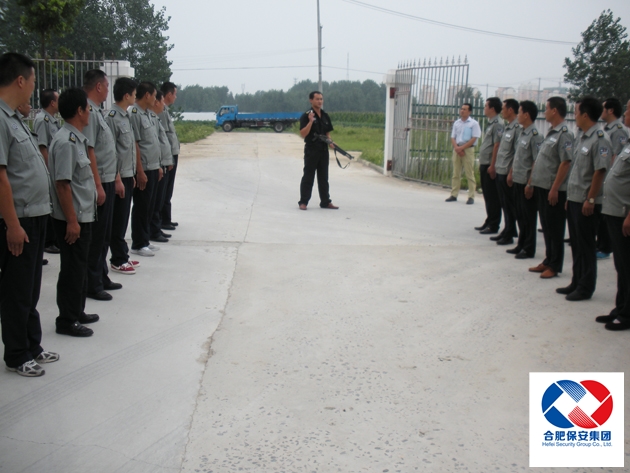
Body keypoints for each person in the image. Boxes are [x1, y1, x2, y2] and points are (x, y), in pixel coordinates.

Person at [0, 52, 58, 376]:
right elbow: (0, 177)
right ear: (20, 80)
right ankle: (17, 354)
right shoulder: (0, 119)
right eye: (33, 81)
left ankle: (32, 345)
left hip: (35, 215)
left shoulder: (15, 119)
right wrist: (12, 224)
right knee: (17, 290)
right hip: (18, 219)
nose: (35, 87)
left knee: (31, 288)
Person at [49, 87, 99, 337]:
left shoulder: (76, 139)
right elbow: (63, 184)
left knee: (79, 267)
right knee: (72, 270)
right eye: (87, 108)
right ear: (79, 111)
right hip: (73, 218)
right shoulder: (65, 142)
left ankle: (77, 311)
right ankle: (67, 320)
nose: (89, 111)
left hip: (83, 216)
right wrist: (71, 221)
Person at [556, 97, 611, 301]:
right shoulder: (582, 137)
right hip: (575, 199)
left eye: (577, 112)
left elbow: (600, 171)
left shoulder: (600, 139)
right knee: (577, 244)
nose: (575, 115)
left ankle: (586, 287)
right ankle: (576, 281)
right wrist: (571, 197)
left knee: (586, 246)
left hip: (587, 202)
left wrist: (590, 199)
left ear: (585, 115)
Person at [82, 70, 122, 302]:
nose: (108, 90)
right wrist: (98, 185)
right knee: (97, 237)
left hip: (108, 179)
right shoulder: (88, 112)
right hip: (99, 182)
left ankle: (101, 275)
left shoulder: (98, 112)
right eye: (107, 86)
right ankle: (92, 283)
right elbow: (90, 150)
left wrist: (115, 178)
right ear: (98, 87)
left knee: (105, 234)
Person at [527, 97, 574, 279]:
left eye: (546, 108)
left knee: (555, 228)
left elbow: (565, 162)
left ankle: (555, 265)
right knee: (546, 227)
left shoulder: (564, 134)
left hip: (553, 189)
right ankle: (548, 260)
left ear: (554, 110)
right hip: (542, 186)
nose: (544, 112)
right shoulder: (551, 133)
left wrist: (555, 188)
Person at [596, 99, 630, 330]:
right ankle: (620, 308)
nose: (625, 112)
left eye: (629, 109)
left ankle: (627, 315)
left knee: (627, 266)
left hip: (624, 213)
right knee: (621, 266)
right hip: (615, 211)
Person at [106, 77, 140, 275]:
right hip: (117, 177)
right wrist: (118, 178)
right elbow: (110, 151)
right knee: (118, 220)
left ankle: (123, 255)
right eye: (134, 94)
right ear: (126, 95)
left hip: (127, 174)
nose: (135, 98)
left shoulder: (125, 116)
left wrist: (131, 174)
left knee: (123, 217)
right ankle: (118, 259)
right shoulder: (112, 118)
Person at [129, 81, 163, 256]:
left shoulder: (148, 114)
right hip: (144, 168)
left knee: (149, 206)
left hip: (153, 166)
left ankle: (145, 239)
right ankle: (138, 243)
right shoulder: (134, 114)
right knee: (141, 207)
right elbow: (135, 144)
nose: (156, 99)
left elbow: (153, 142)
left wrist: (158, 166)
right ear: (147, 95)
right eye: (154, 95)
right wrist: (140, 171)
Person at [506, 101, 543, 259]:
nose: (518, 115)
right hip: (517, 179)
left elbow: (536, 161)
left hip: (526, 183)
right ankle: (521, 244)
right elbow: (517, 156)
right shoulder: (522, 132)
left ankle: (529, 248)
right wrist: (511, 173)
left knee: (528, 217)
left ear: (526, 115)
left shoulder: (535, 135)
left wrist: (530, 183)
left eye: (520, 112)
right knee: (520, 215)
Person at [597, 98, 629, 259]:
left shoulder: (619, 131)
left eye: (628, 109)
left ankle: (605, 247)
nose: (625, 113)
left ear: (610, 110)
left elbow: (615, 156)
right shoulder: (607, 129)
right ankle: (601, 244)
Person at [298, 91, 338, 210]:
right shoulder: (306, 116)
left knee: (323, 177)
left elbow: (327, 133)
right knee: (308, 176)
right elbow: (303, 134)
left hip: (323, 150)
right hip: (312, 150)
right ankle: (303, 202)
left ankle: (325, 202)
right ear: (311, 100)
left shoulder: (325, 115)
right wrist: (310, 122)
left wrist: (330, 142)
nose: (320, 101)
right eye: (317, 99)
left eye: (321, 99)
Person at [33, 89, 62, 256]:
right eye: (58, 99)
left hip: (55, 169)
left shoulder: (52, 120)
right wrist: (49, 169)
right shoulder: (42, 120)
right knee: (51, 204)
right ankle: (49, 242)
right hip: (50, 170)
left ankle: (53, 240)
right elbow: (42, 147)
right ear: (52, 103)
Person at [491, 99, 521, 245]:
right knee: (504, 203)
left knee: (509, 205)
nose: (501, 111)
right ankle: (508, 229)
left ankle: (509, 233)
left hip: (507, 172)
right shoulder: (508, 127)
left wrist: (511, 172)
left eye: (503, 108)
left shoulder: (517, 128)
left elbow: (517, 153)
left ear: (510, 110)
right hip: (501, 169)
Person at [475, 97, 504, 234]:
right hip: (485, 163)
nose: (484, 108)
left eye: (486, 106)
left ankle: (494, 224)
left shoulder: (498, 124)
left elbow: (497, 145)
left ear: (492, 108)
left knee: (492, 196)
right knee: (487, 195)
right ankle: (489, 220)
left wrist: (493, 165)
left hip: (489, 165)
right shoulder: (491, 123)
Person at [149, 90, 173, 243]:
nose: (163, 104)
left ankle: (156, 229)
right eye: (161, 101)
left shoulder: (155, 118)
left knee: (158, 200)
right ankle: (151, 232)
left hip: (160, 163)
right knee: (153, 202)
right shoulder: (144, 117)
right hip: (153, 165)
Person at [446, 103, 480, 204]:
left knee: (469, 173)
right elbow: (453, 137)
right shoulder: (457, 123)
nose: (462, 111)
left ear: (469, 111)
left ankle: (471, 196)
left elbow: (474, 138)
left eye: (465, 109)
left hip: (468, 150)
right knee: (456, 173)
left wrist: (462, 148)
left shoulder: (473, 124)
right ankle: (454, 194)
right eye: (461, 109)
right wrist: (457, 148)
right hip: (457, 149)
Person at [159, 82, 181, 230]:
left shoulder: (165, 110)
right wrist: (168, 158)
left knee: (169, 187)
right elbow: (164, 137)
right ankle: (163, 220)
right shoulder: (161, 111)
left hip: (172, 154)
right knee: (165, 188)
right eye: (175, 94)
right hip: (168, 156)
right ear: (168, 94)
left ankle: (166, 218)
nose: (175, 97)